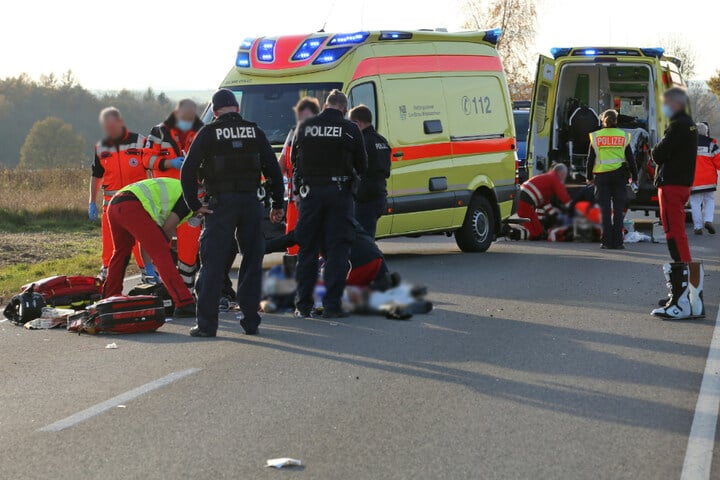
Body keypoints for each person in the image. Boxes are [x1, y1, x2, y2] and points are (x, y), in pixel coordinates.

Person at [181, 89, 284, 337]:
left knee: (213, 264)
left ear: (215, 111)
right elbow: (273, 169)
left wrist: (194, 204)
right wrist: (277, 205)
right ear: (237, 108)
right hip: (250, 202)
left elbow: (188, 169)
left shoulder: (208, 133)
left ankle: (206, 326)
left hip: (220, 204)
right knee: (251, 262)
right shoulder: (255, 131)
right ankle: (251, 321)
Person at [292, 89, 367, 318]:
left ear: (325, 105)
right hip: (339, 194)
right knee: (337, 249)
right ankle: (332, 305)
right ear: (344, 109)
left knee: (308, 250)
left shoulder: (305, 126)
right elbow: (362, 165)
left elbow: (294, 160)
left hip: (310, 195)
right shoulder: (351, 128)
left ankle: (303, 305)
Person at [103, 178, 196, 316]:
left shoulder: (177, 188)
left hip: (116, 204)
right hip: (131, 205)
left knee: (121, 253)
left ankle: (108, 299)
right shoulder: (189, 197)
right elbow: (165, 232)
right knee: (162, 253)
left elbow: (154, 237)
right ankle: (184, 302)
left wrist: (149, 266)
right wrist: (154, 262)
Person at [650, 87, 702, 319]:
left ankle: (680, 301)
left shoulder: (678, 126)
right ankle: (690, 297)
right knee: (677, 236)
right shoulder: (689, 125)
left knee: (674, 236)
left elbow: (659, 154)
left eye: (666, 103)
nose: (664, 107)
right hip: (681, 184)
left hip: (671, 185)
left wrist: (654, 149)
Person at [144, 99, 205, 290]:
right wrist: (170, 163)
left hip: (191, 198)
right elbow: (146, 159)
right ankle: (166, 286)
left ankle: (186, 289)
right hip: (166, 199)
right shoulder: (158, 132)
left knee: (189, 244)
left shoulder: (200, 131)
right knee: (162, 241)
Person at [89, 107, 148, 281]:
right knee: (110, 244)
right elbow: (96, 175)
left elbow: (152, 168)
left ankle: (148, 273)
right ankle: (108, 274)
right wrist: (91, 201)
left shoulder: (140, 142)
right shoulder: (101, 147)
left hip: (138, 204)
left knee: (142, 241)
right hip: (111, 207)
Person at [586, 109, 638, 250]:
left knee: (605, 210)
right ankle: (618, 242)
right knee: (618, 209)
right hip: (619, 176)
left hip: (601, 177)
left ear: (603, 121)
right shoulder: (623, 136)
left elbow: (590, 159)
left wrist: (589, 177)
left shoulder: (596, 137)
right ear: (616, 121)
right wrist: (635, 177)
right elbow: (631, 159)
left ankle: (606, 242)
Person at [278, 97, 321, 255]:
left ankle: (316, 275)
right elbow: (281, 165)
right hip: (293, 202)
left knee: (314, 244)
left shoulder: (321, 136)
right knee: (293, 245)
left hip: (314, 200)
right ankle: (296, 276)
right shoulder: (293, 134)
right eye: (301, 118)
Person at [349, 105, 391, 238]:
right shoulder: (382, 140)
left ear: (358, 123)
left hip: (365, 197)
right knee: (367, 234)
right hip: (380, 194)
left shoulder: (362, 142)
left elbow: (356, 169)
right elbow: (386, 170)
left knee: (363, 238)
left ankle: (371, 259)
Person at [516, 164, 572, 240]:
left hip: (523, 201)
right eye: (564, 175)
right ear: (561, 173)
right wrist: (575, 210)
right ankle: (512, 233)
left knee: (538, 230)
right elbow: (564, 198)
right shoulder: (555, 179)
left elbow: (545, 203)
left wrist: (554, 214)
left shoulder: (548, 178)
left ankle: (518, 232)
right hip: (525, 202)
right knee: (536, 233)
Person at [690, 122, 720, 235]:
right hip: (709, 180)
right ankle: (708, 220)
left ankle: (697, 227)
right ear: (706, 132)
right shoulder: (711, 144)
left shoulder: (689, 144)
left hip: (694, 179)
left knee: (695, 202)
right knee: (709, 200)